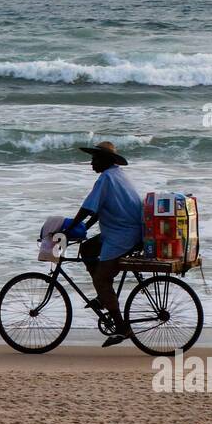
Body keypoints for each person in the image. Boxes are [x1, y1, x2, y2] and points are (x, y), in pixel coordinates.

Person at [66, 141, 143, 347]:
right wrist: (84, 227)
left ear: (105, 160)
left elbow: (87, 208)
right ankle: (104, 297)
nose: (91, 163)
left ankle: (122, 328)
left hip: (122, 236)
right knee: (87, 248)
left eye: (94, 159)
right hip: (124, 232)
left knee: (101, 279)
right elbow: (99, 209)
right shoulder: (117, 175)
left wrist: (68, 229)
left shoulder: (106, 178)